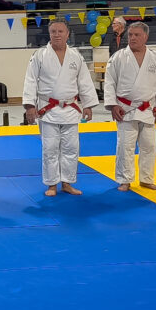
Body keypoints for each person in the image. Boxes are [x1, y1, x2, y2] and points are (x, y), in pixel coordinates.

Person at [23, 19, 99, 197]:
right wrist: (30, 106)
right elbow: (30, 80)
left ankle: (67, 182)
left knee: (71, 148)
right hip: (48, 109)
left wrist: (88, 105)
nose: (57, 35)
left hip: (71, 108)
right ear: (49, 34)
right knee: (50, 148)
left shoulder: (76, 56)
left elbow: (84, 81)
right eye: (53, 31)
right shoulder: (40, 55)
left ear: (67, 34)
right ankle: (51, 184)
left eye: (60, 31)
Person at [104, 22, 156, 192]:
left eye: (137, 35)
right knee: (125, 146)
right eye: (130, 35)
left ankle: (147, 179)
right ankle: (124, 180)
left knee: (149, 146)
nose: (132, 38)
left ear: (145, 37)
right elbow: (109, 83)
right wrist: (112, 105)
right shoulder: (118, 57)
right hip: (125, 109)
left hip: (148, 109)